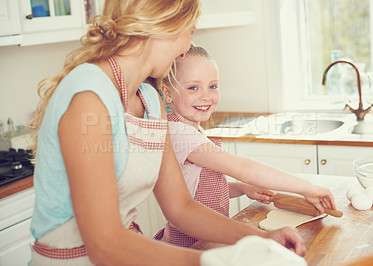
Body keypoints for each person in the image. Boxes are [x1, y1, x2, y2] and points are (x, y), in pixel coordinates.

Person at [28, 1, 309, 265]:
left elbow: (181, 208)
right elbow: (104, 244)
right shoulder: (88, 96)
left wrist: (260, 239)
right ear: (163, 24)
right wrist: (214, 260)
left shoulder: (150, 101)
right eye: (191, 30)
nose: (186, 48)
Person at [155, 45, 337, 247]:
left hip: (208, 239)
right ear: (168, 94)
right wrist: (307, 188)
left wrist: (241, 188)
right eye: (193, 87)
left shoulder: (190, 130)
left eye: (213, 86)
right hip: (187, 244)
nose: (206, 96)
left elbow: (197, 189)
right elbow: (244, 169)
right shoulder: (179, 134)